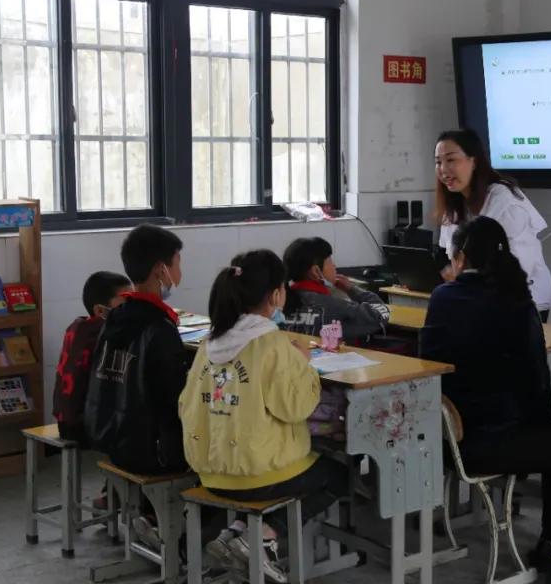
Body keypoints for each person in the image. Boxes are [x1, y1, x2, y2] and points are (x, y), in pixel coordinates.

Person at [420, 216, 551, 583]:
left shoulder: (442, 297)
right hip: (491, 441)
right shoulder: (516, 301)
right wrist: (543, 423)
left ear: (460, 257)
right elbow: (536, 379)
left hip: (450, 437)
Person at [179, 249, 349, 580]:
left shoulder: (209, 342)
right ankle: (267, 535)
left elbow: (186, 403)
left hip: (209, 471)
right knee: (337, 475)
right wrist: (301, 361)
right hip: (258, 474)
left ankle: (238, 532)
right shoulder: (271, 344)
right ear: (275, 294)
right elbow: (297, 406)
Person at [84, 224, 190, 475]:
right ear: (160, 270)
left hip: (112, 438)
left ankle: (143, 509)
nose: (179, 273)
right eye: (177, 264)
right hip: (152, 451)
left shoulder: (115, 316)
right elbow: (176, 399)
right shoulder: (159, 326)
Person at [434, 128, 551, 320]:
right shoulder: (454, 205)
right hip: (479, 302)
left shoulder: (504, 201)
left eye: (451, 160)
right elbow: (452, 257)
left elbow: (520, 267)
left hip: (523, 303)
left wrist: (465, 281)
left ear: (473, 161)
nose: (443, 169)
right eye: (438, 162)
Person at [52, 271, 131, 445]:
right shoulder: (105, 334)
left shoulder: (79, 326)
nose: (131, 309)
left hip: (65, 419)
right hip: (85, 423)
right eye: (126, 304)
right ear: (100, 310)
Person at [281, 236, 390, 345]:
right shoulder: (333, 305)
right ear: (315, 271)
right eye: (330, 262)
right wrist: (352, 289)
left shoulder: (279, 303)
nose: (334, 266)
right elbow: (381, 314)